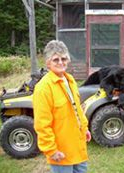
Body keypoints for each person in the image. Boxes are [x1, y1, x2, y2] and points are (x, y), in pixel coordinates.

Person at [33, 40, 91, 173]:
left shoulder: (70, 79)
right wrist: (51, 150)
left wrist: (85, 128)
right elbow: (42, 124)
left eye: (63, 58)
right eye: (56, 59)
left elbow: (77, 110)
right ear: (48, 63)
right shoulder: (43, 88)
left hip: (78, 146)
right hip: (60, 152)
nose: (61, 62)